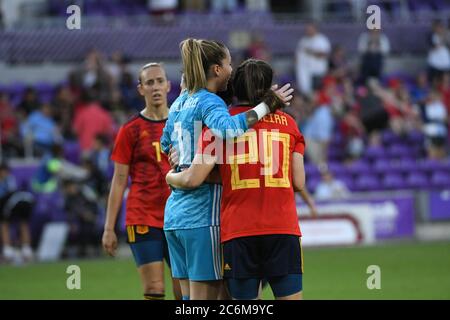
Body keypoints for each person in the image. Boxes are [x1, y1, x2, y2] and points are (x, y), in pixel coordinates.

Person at [160, 39, 293, 300]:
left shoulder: (178, 103)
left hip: (174, 216)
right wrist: (268, 105)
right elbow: (228, 129)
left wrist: (178, 163)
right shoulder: (209, 102)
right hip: (202, 215)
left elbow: (166, 143)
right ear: (217, 70)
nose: (232, 69)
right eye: (229, 63)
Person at [102, 63, 181, 300]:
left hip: (179, 216)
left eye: (159, 81)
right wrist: (109, 228)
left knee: (185, 293)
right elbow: (119, 180)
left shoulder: (181, 124)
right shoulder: (130, 130)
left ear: (168, 85)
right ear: (140, 89)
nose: (155, 87)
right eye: (149, 82)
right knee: (154, 289)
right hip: (143, 216)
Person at [0, 162, 35, 264]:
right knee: (6, 224)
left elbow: (11, 193)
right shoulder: (8, 180)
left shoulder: (9, 180)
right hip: (8, 202)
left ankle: (24, 250)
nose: (5, 173)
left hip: (11, 202)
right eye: (4, 171)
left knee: (19, 223)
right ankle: (9, 251)